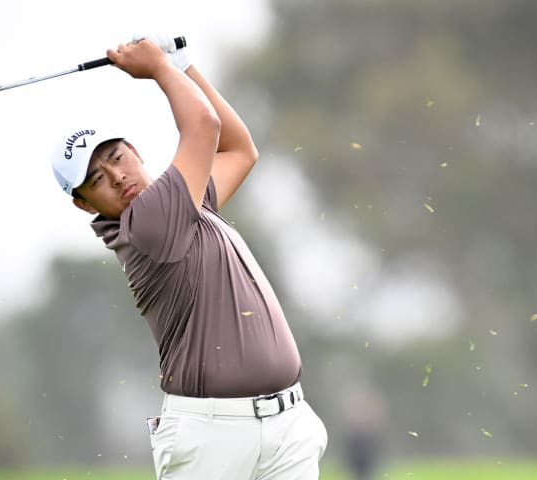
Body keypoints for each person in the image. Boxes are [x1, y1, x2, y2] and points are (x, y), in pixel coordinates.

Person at [50, 34, 328, 479]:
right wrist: (159, 69)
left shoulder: (187, 207)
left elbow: (239, 150)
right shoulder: (147, 227)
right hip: (212, 436)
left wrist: (184, 68)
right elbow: (204, 128)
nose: (118, 176)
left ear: (136, 152)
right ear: (85, 204)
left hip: (286, 425)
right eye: (98, 179)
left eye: (118, 157)